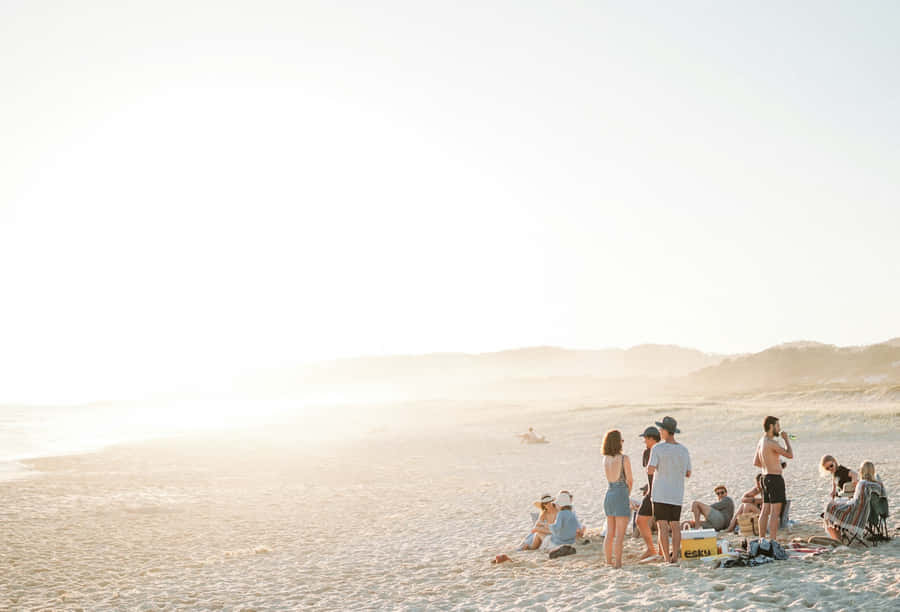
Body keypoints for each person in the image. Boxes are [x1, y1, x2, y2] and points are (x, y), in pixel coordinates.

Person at [647, 416, 691, 564]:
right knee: (675, 525)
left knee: (662, 526)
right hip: (676, 493)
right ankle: (675, 557)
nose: (659, 431)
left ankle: (666, 558)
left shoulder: (657, 448)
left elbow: (650, 469)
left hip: (660, 492)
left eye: (661, 429)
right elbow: (688, 473)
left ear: (666, 431)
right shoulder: (683, 450)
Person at [824, 460, 886, 542]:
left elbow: (856, 502)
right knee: (836, 505)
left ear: (862, 471)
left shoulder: (862, 484)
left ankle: (836, 539)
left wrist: (845, 502)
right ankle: (838, 536)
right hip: (871, 513)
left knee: (829, 507)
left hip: (858, 513)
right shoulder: (877, 485)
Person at [753, 416, 793, 541]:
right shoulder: (772, 443)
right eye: (777, 426)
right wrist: (786, 439)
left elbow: (756, 462)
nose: (779, 429)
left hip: (765, 477)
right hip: (775, 479)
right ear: (771, 426)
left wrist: (772, 464)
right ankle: (773, 540)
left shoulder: (761, 441)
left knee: (765, 510)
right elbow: (790, 455)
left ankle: (762, 539)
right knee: (775, 513)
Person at [602, 430, 633, 568]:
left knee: (610, 533)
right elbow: (630, 480)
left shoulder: (605, 459)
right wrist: (628, 494)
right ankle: (618, 563)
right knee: (620, 534)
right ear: (618, 442)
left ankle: (608, 561)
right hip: (620, 492)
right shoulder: (623, 458)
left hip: (609, 493)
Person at [636, 426, 661, 560]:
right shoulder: (646, 453)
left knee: (660, 523)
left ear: (652, 438)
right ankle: (651, 549)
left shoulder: (663, 451)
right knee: (640, 520)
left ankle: (661, 551)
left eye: (645, 438)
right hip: (650, 491)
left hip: (661, 491)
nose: (644, 441)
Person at [548, 491, 579, 557]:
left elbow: (557, 527)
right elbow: (578, 528)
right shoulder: (572, 513)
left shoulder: (560, 514)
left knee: (548, 539)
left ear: (560, 505)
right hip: (571, 540)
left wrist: (550, 526)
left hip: (561, 540)